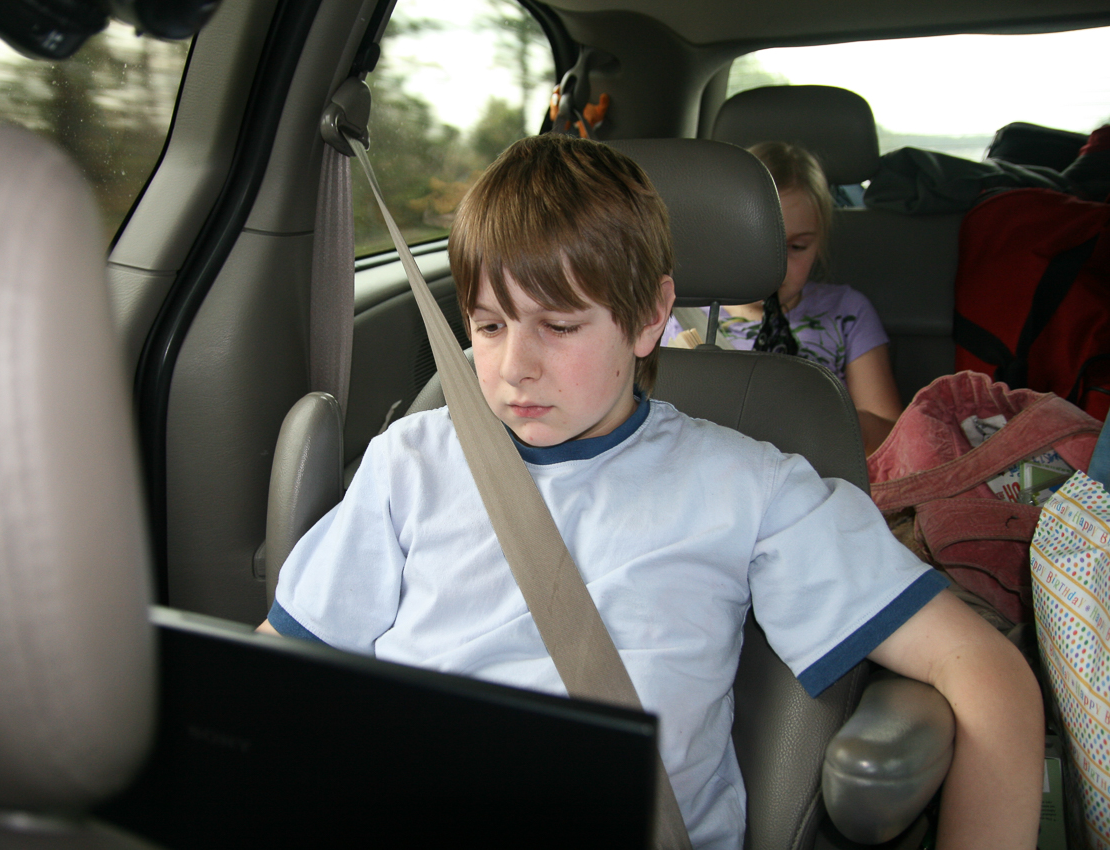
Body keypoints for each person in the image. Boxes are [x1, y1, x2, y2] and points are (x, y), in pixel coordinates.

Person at [260, 135, 1041, 849]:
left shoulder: (748, 488)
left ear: (648, 319)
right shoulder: (412, 459)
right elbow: (280, 674)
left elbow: (984, 674)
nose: (512, 367)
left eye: (559, 326)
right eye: (489, 325)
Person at [662, 141, 902, 454]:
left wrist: (812, 417)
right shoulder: (673, 314)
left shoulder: (847, 312)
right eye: (759, 246)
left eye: (797, 247)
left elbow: (892, 436)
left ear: (820, 244)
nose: (777, 267)